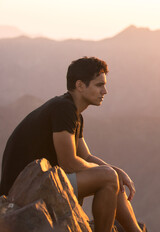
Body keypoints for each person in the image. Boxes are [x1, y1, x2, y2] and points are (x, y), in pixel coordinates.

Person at [0, 57, 144, 232]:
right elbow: (69, 162)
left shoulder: (73, 112)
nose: (105, 91)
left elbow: (85, 156)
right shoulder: (64, 109)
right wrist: (108, 173)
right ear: (80, 85)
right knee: (108, 177)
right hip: (25, 191)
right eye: (99, 85)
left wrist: (116, 171)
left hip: (39, 184)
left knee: (112, 177)